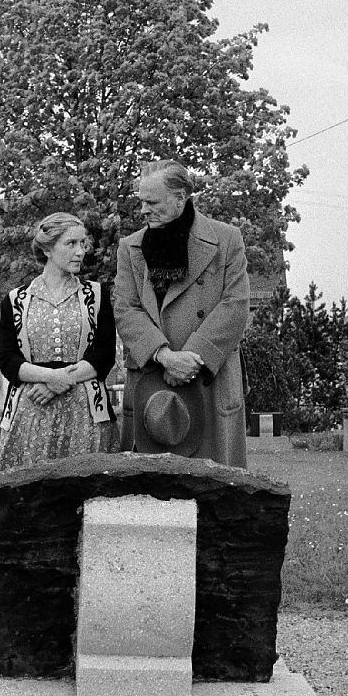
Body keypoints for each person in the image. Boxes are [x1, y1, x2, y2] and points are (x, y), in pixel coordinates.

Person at [113, 160, 251, 467]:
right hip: (152, 381)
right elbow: (125, 309)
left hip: (208, 382)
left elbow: (235, 307)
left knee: (214, 492)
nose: (144, 211)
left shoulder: (227, 240)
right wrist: (165, 356)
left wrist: (191, 358)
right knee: (147, 491)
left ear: (180, 198)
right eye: (141, 202)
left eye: (152, 202)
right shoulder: (130, 247)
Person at [0, 212, 118, 472]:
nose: (80, 252)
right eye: (70, 244)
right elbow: (7, 359)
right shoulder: (16, 300)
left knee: (87, 496)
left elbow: (104, 354)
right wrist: (50, 377)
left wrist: (60, 381)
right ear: (48, 249)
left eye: (82, 244)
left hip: (86, 414)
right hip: (30, 414)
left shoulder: (96, 296)